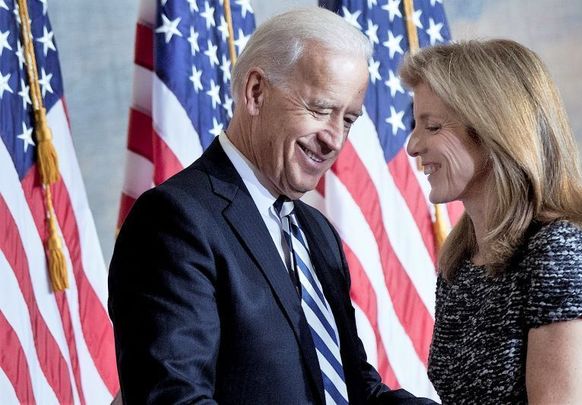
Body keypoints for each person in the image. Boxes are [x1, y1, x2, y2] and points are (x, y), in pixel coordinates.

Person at [109, 7, 434, 404]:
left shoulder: (316, 231)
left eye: (348, 120)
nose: (334, 139)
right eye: (319, 109)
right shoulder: (173, 221)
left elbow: (355, 389)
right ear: (256, 92)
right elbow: (174, 398)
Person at [402, 38, 582, 404]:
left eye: (432, 127)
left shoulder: (558, 253)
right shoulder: (461, 261)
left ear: (493, 131)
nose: (413, 145)